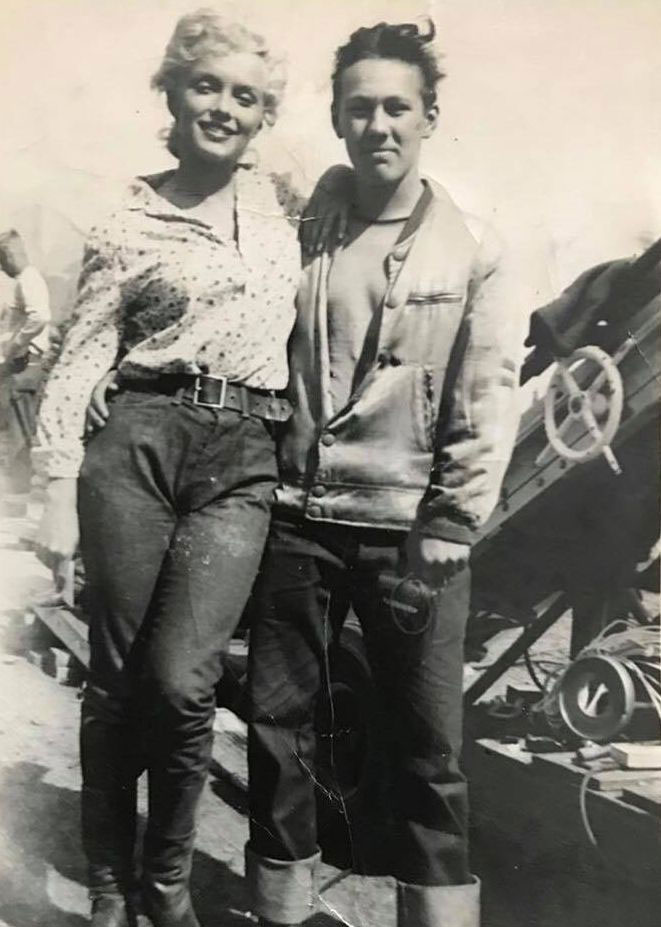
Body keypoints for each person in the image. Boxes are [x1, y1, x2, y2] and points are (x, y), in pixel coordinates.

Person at [244, 20, 521, 927]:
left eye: (397, 107)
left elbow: (486, 392)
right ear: (336, 119)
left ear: (429, 116)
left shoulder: (475, 246)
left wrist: (451, 519)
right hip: (298, 517)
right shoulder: (304, 229)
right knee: (278, 730)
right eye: (359, 108)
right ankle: (280, 911)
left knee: (427, 747)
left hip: (410, 534)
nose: (378, 125)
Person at [34, 10, 301, 927]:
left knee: (185, 683)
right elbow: (82, 352)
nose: (223, 107)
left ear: (264, 114)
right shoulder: (128, 214)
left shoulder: (289, 209)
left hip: (242, 459)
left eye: (245, 96)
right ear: (172, 94)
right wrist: (56, 484)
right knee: (115, 678)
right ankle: (111, 883)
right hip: (138, 445)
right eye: (206, 86)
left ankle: (167, 882)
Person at [0, 229, 50, 493]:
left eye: (1, 261)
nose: (1, 268)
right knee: (15, 429)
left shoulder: (28, 279)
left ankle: (16, 497)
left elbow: (40, 316)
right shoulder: (26, 279)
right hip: (22, 363)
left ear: (9, 255)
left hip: (24, 363)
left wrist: (14, 345)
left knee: (18, 431)